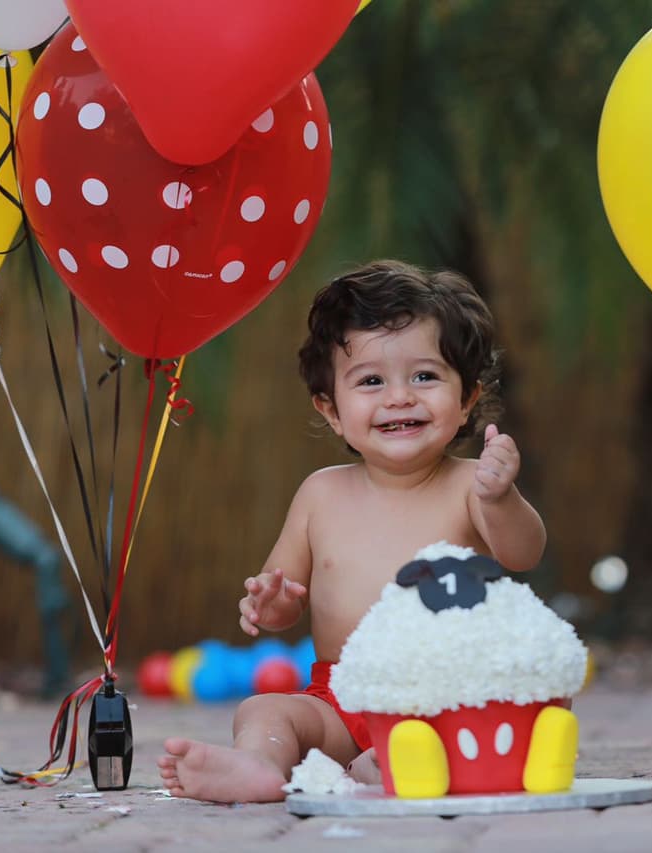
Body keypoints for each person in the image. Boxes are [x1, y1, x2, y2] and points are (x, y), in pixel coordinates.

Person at [156, 260, 546, 802]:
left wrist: (501, 498)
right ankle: (258, 765)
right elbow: (285, 594)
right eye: (370, 381)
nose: (399, 397)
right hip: (339, 696)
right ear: (332, 410)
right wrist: (270, 603)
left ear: (468, 400)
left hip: (443, 695)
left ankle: (394, 764)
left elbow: (523, 553)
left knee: (475, 720)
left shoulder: (468, 487)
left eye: (425, 376)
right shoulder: (321, 494)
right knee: (265, 709)